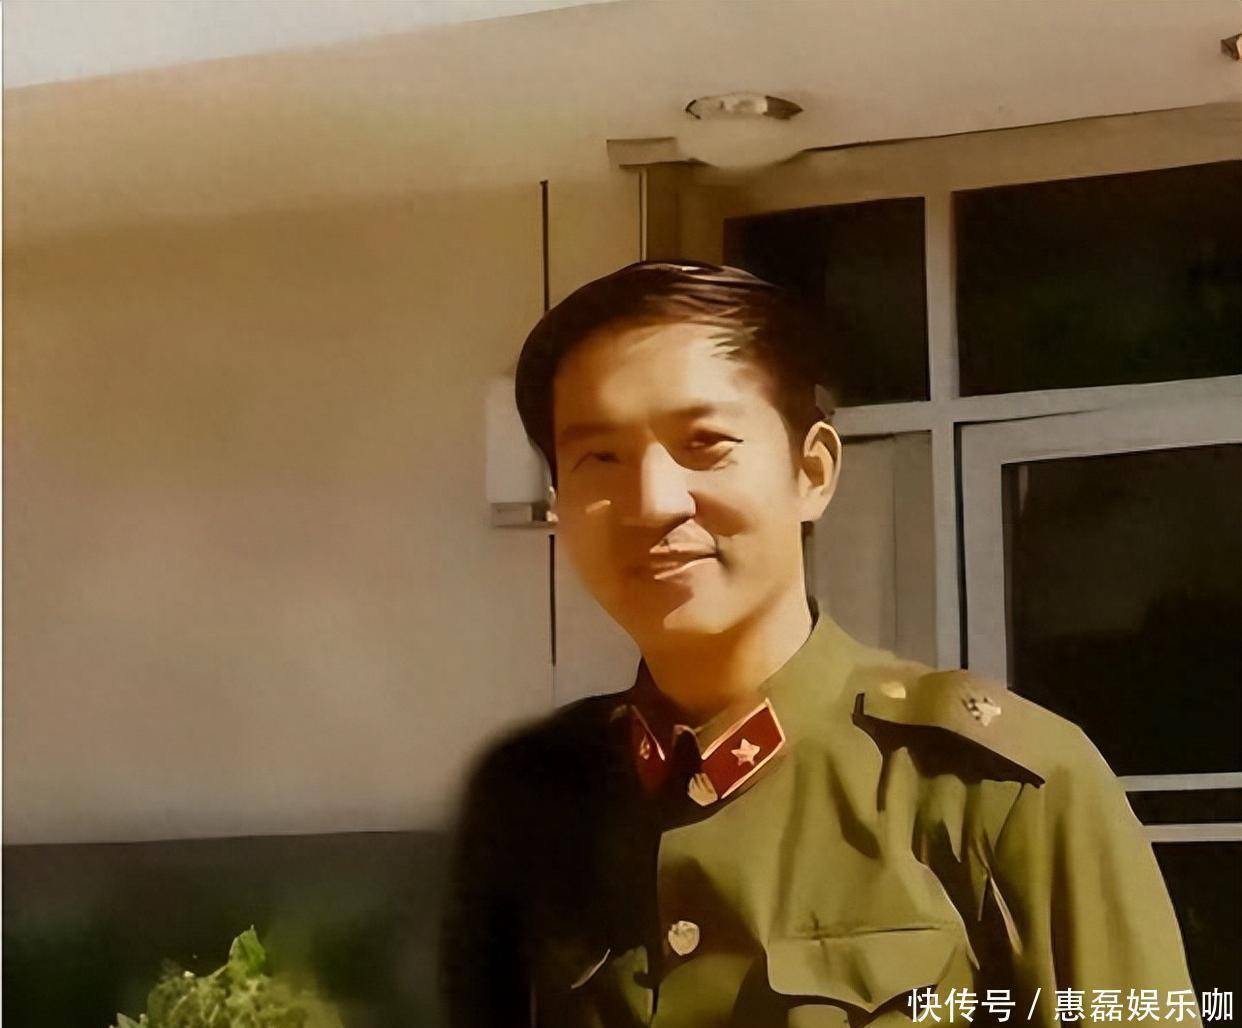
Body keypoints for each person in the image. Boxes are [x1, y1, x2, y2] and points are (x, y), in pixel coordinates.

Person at [439, 260, 1195, 1027]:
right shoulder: (534, 806)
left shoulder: (991, 792)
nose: (654, 502)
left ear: (813, 472)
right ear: (561, 503)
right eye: (599, 457)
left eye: (705, 443)